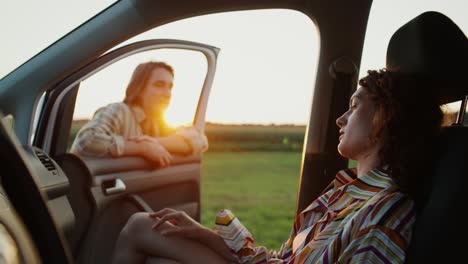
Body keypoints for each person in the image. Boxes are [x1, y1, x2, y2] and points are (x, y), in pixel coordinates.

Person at [111, 69, 443, 263]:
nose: (340, 119)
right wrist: (206, 236)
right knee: (144, 224)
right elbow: (282, 260)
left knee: (140, 228)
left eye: (354, 106)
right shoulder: (347, 192)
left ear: (386, 118)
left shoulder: (386, 212)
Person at [70, 61, 208, 166]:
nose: (167, 94)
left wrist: (154, 142)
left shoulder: (160, 123)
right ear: (139, 88)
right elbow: (86, 141)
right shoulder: (119, 111)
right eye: (159, 85)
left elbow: (199, 140)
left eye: (170, 87)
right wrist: (142, 147)